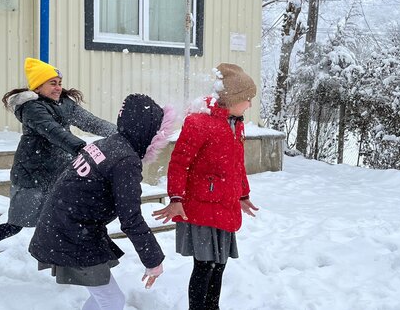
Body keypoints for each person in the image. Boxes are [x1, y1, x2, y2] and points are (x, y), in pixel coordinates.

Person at [0, 57, 117, 276]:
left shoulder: (64, 104)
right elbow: (53, 131)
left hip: (60, 172)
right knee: (17, 223)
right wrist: (82, 148)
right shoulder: (32, 108)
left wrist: (121, 134)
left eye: (59, 83)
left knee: (66, 218)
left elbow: (91, 122)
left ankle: (65, 263)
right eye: (52, 83)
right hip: (32, 175)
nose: (58, 88)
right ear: (37, 87)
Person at [29, 94, 175, 310]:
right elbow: (131, 218)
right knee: (111, 301)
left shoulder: (108, 144)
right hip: (72, 235)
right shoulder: (126, 160)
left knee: (104, 298)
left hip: (63, 227)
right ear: (148, 131)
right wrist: (153, 260)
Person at [152, 63, 260, 310]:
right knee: (204, 266)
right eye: (247, 99)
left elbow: (237, 164)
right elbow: (179, 163)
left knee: (219, 265)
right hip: (201, 208)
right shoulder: (199, 123)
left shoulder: (236, 123)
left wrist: (243, 194)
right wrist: (176, 198)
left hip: (225, 205)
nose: (250, 104)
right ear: (233, 98)